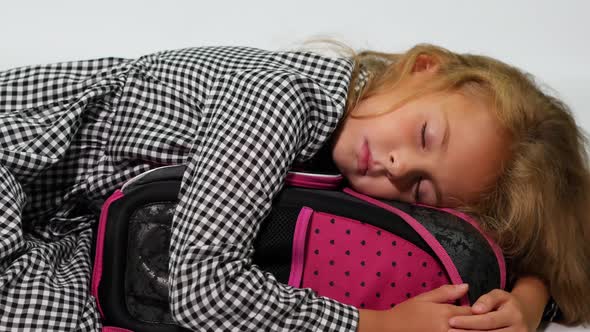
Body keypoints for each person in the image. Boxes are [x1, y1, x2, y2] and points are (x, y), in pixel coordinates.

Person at [0, 43, 588, 331]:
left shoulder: (354, 118)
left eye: (422, 190)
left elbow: (506, 238)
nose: (392, 163)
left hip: (61, 223)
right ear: (424, 67)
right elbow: (203, 291)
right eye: (424, 134)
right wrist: (371, 325)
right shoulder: (278, 101)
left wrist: (532, 297)